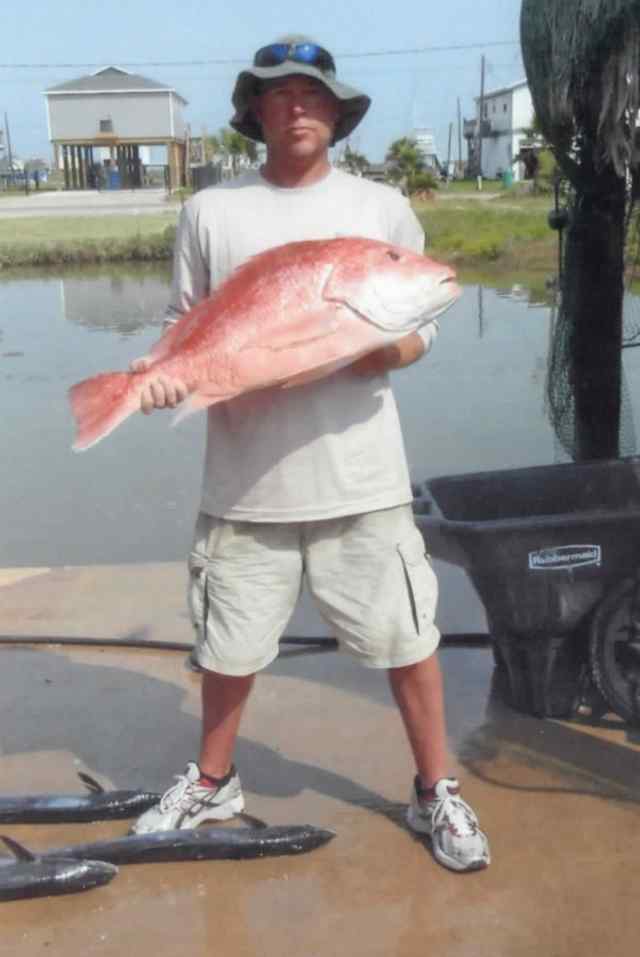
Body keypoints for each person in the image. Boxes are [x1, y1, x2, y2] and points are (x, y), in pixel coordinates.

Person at [130, 35, 490, 873]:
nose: (297, 105)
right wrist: (158, 380)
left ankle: (435, 786)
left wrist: (382, 353)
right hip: (245, 484)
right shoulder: (210, 213)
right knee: (226, 650)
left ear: (336, 110)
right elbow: (187, 329)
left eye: (313, 92)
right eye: (278, 92)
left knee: (410, 636)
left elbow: (423, 321)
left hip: (362, 477)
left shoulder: (381, 208)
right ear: (254, 110)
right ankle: (214, 780)